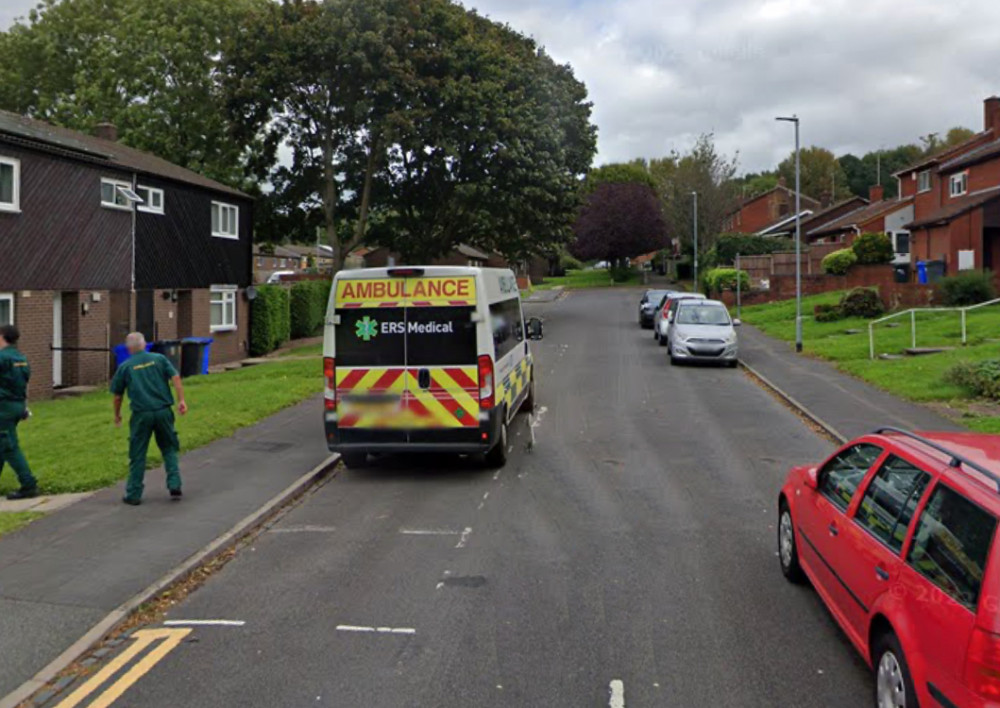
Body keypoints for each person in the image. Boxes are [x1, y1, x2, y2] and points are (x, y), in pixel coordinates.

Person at [110, 332, 188, 505]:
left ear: (129, 348)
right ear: (145, 345)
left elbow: (117, 395)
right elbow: (175, 376)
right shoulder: (159, 359)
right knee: (168, 447)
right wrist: (181, 399)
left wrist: (117, 415)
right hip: (163, 411)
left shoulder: (126, 366)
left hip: (141, 414)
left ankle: (134, 493)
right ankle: (174, 483)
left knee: (138, 453)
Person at [0, 325, 38, 500]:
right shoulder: (21, 358)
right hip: (17, 405)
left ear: (2, 337)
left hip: (3, 408)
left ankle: (28, 484)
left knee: (9, 447)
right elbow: (24, 383)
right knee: (2, 443)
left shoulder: (2, 357)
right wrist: (24, 407)